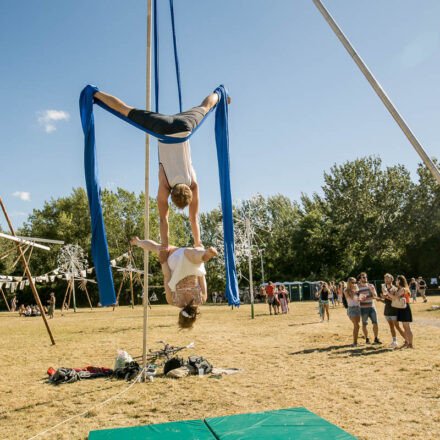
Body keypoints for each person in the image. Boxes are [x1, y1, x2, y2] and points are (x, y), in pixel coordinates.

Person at [94, 89, 230, 252]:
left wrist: (198, 241)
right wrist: (166, 244)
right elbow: (163, 219)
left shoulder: (192, 184)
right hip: (162, 128)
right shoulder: (166, 185)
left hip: (184, 127)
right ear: (171, 197)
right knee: (125, 110)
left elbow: (194, 218)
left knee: (206, 106)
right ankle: (96, 94)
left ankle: (219, 94)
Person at [130, 236, 217, 329]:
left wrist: (199, 255)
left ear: (194, 316)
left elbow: (201, 274)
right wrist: (163, 261)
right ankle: (138, 242)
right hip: (175, 262)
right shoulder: (172, 301)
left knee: (197, 253)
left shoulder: (202, 299)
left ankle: (203, 254)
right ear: (180, 316)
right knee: (155, 247)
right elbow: (167, 277)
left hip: (192, 261)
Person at [377, 274, 406, 348]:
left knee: (397, 326)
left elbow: (394, 299)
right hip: (387, 310)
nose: (386, 280)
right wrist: (380, 299)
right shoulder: (385, 289)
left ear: (392, 280)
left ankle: (407, 340)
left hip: (394, 310)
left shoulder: (395, 289)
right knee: (391, 326)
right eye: (385, 278)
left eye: (388, 278)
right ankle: (394, 341)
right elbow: (387, 301)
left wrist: (385, 296)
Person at [357, 272, 381, 344]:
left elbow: (375, 296)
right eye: (363, 277)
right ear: (360, 279)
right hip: (363, 308)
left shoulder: (371, 285)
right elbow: (357, 298)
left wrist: (372, 290)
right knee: (364, 324)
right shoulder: (357, 287)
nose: (365, 278)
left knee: (375, 323)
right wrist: (360, 299)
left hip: (372, 307)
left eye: (366, 277)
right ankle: (367, 339)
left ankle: (376, 338)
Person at [391, 275, 414, 348]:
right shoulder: (400, 289)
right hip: (402, 308)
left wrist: (386, 293)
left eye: (397, 280)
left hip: (405, 308)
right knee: (405, 326)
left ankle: (410, 344)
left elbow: (395, 297)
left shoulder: (403, 289)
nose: (396, 281)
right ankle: (406, 342)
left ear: (400, 281)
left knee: (407, 327)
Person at [344, 277, 360, 346]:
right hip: (351, 309)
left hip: (358, 308)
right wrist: (354, 291)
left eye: (355, 282)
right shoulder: (346, 290)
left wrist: (361, 298)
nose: (354, 284)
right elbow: (351, 297)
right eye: (353, 282)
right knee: (356, 324)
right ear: (349, 283)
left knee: (357, 326)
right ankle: (354, 343)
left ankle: (356, 342)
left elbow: (357, 299)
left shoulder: (356, 290)